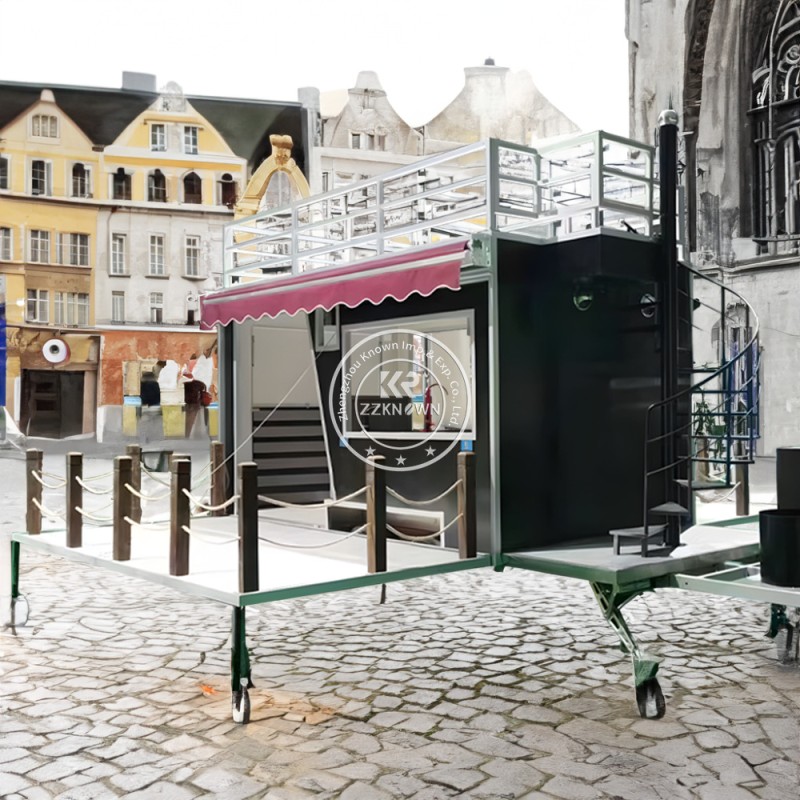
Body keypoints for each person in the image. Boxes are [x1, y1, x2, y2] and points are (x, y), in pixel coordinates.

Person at [182, 367, 206, 438]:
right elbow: (202, 393)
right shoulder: (200, 383)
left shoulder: (186, 383)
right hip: (195, 404)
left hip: (189, 403)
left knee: (188, 421)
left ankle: (187, 435)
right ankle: (190, 435)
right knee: (192, 420)